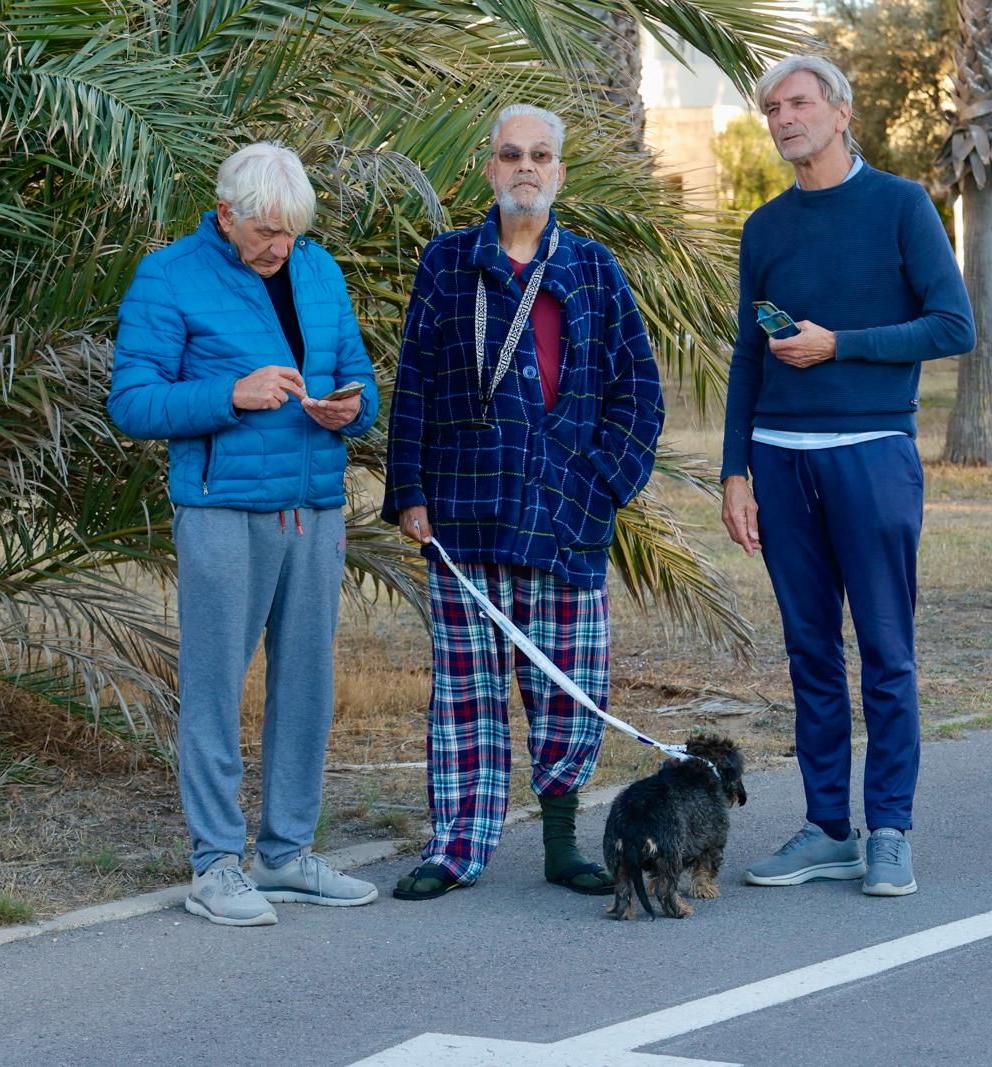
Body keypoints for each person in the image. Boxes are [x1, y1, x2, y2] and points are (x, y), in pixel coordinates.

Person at [383, 104, 664, 901]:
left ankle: (564, 843)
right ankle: (457, 849)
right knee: (466, 693)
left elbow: (639, 392)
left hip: (565, 516)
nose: (526, 168)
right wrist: (408, 491)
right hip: (464, 514)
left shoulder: (594, 269)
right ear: (489, 169)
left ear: (561, 173)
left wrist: (605, 483)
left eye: (542, 156)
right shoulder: (447, 264)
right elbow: (415, 386)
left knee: (568, 685)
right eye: (512, 155)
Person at [720, 56, 975, 898]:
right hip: (781, 462)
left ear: (840, 110)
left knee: (886, 652)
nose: (784, 118)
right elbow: (749, 355)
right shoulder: (765, 226)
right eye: (772, 108)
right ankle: (827, 826)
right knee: (809, 652)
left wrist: (843, 343)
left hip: (872, 453)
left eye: (799, 103)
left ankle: (889, 828)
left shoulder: (900, 206)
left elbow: (952, 325)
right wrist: (735, 470)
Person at [108, 142, 381, 926]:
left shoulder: (319, 270)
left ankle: (288, 853)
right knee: (214, 686)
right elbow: (132, 402)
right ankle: (214, 864)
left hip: (316, 507)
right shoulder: (169, 275)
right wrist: (232, 392)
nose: (280, 248)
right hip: (222, 511)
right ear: (225, 214)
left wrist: (348, 409)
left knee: (307, 686)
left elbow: (362, 385)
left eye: (292, 232)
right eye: (266, 232)